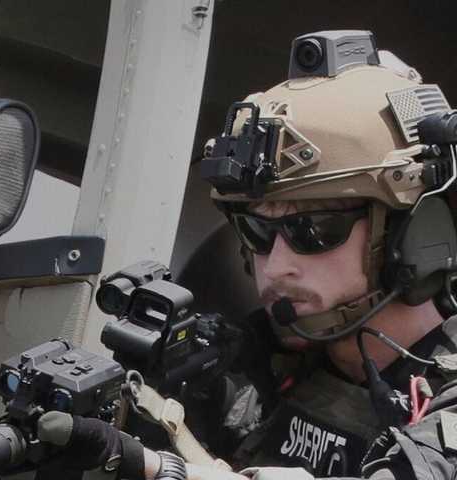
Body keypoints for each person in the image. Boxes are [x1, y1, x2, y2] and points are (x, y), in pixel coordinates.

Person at [37, 30, 457, 479]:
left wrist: (162, 471)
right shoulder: (263, 361)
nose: (275, 266)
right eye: (257, 229)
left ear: (410, 233)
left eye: (310, 230)